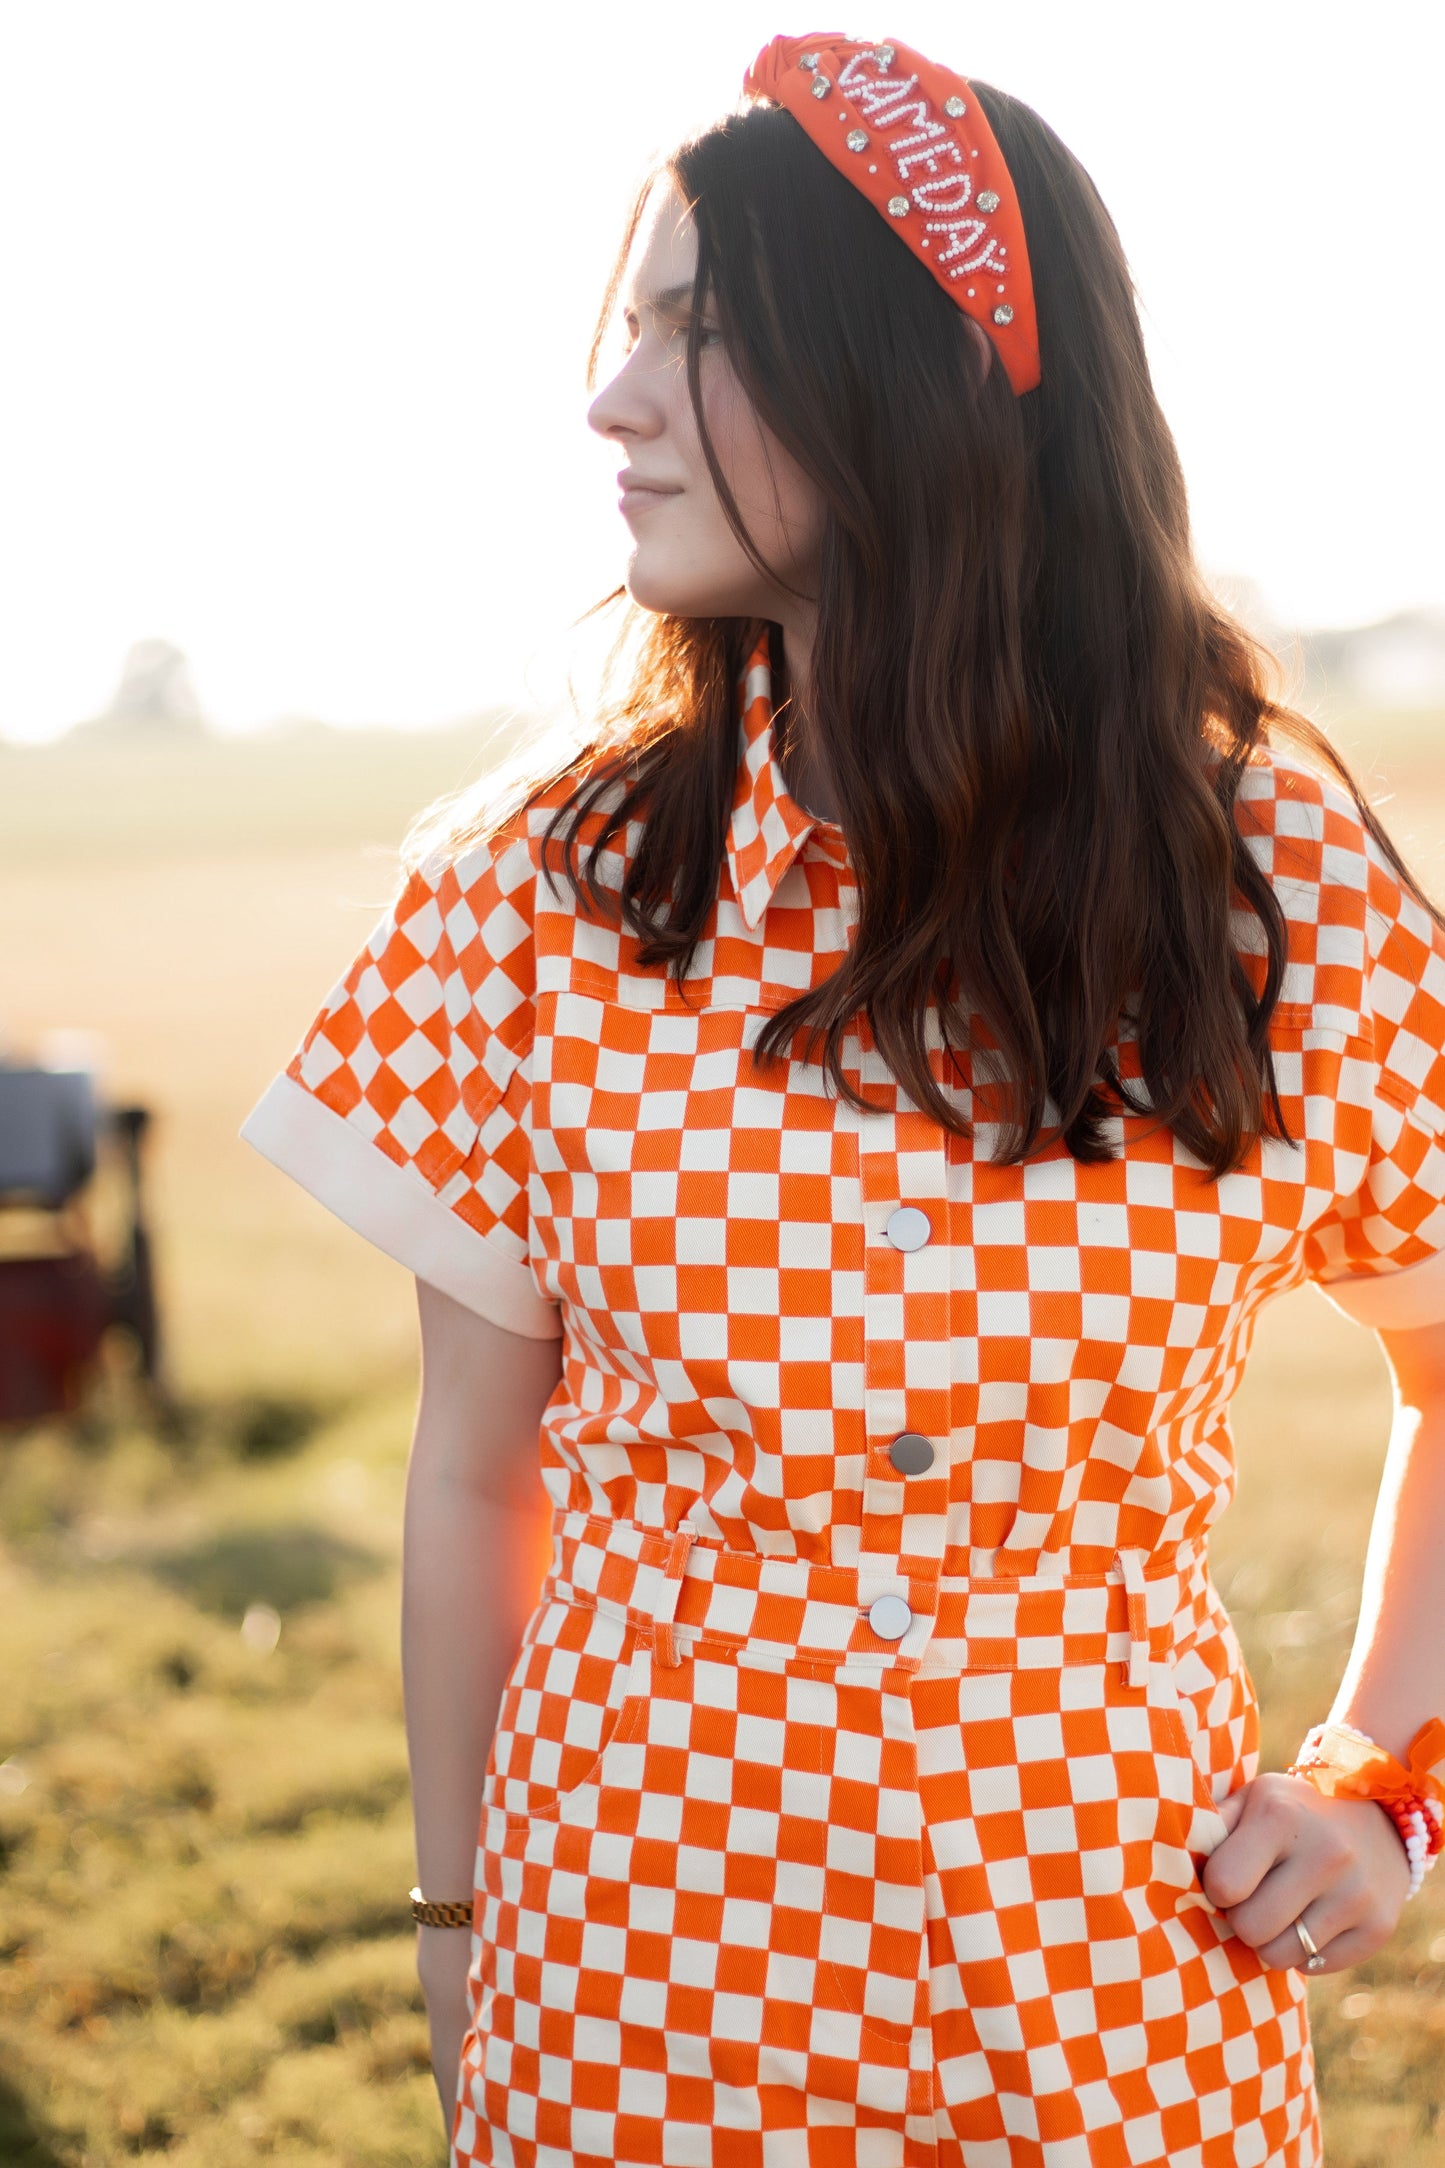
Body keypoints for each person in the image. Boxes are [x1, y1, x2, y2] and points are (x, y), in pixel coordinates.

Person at [238, 31, 1445, 2168]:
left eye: (696, 331)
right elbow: (468, 1481)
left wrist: (1391, 1780)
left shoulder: (1270, 889)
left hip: (1106, 2013)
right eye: (630, 327)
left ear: (915, 377)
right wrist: (457, 1942)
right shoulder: (540, 889)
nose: (611, 404)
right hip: (628, 1991)